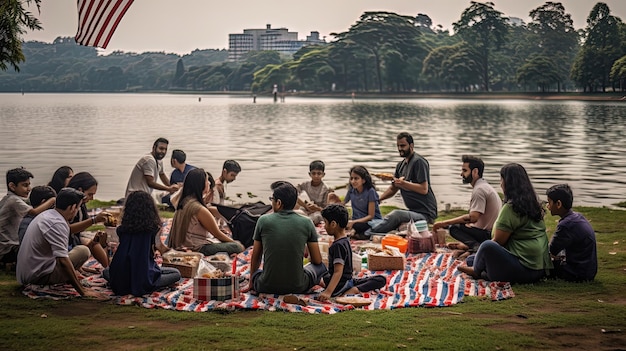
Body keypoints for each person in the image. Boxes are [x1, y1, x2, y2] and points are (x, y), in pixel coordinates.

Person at [458, 163, 552, 284]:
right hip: (539, 269)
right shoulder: (533, 204)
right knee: (472, 259)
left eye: (501, 180)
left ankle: (477, 272)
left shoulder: (511, 208)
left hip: (524, 268)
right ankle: (483, 270)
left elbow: (499, 241)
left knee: (487, 246)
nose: (500, 184)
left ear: (508, 182)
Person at [16, 188, 107, 299]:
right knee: (83, 251)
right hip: (38, 277)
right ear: (73, 207)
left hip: (27, 273)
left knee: (79, 250)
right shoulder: (57, 223)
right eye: (78, 207)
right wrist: (82, 291)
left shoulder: (49, 215)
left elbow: (68, 230)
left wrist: (94, 220)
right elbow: (63, 261)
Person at [249, 181, 327, 295]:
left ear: (278, 203)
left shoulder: (263, 220)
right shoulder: (307, 222)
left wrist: (251, 282)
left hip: (265, 286)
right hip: (298, 286)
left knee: (257, 274)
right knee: (321, 267)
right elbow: (317, 260)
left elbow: (256, 256)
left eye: (272, 199)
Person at [103, 191, 182, 296]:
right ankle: (148, 284)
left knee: (106, 271)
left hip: (121, 277)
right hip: (143, 276)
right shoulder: (154, 229)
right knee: (175, 273)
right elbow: (161, 248)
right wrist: (176, 254)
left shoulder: (122, 229)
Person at [366, 132, 438, 235]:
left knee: (396, 214)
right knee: (391, 219)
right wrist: (379, 199)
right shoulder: (400, 165)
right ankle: (372, 230)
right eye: (398, 146)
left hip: (425, 214)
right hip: (412, 211)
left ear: (411, 146)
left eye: (403, 145)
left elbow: (423, 189)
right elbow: (393, 188)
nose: (400, 148)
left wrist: (403, 183)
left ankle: (368, 233)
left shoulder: (419, 162)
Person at [432, 155, 501, 255]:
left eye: (465, 170)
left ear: (475, 172)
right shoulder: (484, 186)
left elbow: (473, 218)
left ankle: (476, 248)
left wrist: (444, 223)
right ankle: (470, 246)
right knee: (460, 225)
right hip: (491, 232)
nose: (461, 174)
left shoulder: (479, 190)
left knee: (453, 227)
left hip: (489, 235)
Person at [167, 168, 244, 256]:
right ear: (200, 185)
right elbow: (218, 234)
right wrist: (237, 245)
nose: (209, 183)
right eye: (207, 181)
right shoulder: (198, 209)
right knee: (236, 246)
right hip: (195, 248)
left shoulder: (185, 201)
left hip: (181, 245)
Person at [318, 204, 386, 301]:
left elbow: (338, 271)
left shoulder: (337, 245)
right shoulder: (345, 240)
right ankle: (355, 288)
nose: (324, 226)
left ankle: (353, 289)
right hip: (348, 280)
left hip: (340, 285)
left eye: (325, 222)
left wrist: (328, 292)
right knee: (380, 279)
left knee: (315, 271)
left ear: (333, 224)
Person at [0, 168, 56, 264]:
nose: (29, 189)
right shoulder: (13, 200)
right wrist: (51, 200)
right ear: (12, 186)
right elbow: (34, 211)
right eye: (25, 185)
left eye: (29, 184)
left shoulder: (9, 198)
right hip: (7, 249)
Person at [546, 184, 597, 281]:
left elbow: (550, 251)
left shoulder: (566, 225)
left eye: (549, 202)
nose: (548, 206)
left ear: (558, 204)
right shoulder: (577, 217)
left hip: (577, 273)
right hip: (588, 270)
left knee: (539, 264)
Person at [66, 172, 111, 268]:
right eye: (90, 194)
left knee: (96, 242)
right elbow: (66, 229)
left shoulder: (81, 205)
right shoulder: (68, 205)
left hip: (74, 239)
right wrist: (94, 220)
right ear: (80, 190)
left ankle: (108, 269)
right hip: (65, 244)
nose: (92, 198)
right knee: (89, 245)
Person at [341, 166, 382, 240]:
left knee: (358, 226)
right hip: (356, 220)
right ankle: (356, 232)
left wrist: (353, 222)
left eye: (356, 178)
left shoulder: (370, 192)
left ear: (363, 180)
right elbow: (343, 203)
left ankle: (358, 232)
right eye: (351, 178)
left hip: (371, 222)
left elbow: (371, 216)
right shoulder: (351, 190)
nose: (353, 181)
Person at [295, 160, 330, 225]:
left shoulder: (326, 189)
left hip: (320, 212)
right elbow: (293, 193)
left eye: (319, 173)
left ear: (323, 174)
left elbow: (327, 210)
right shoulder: (305, 184)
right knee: (295, 212)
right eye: (313, 173)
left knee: (316, 216)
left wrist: (317, 208)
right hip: (308, 209)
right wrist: (305, 206)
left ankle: (305, 224)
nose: (316, 176)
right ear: (309, 174)